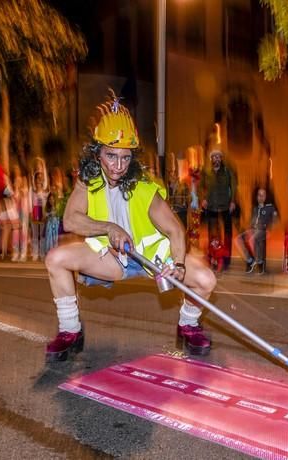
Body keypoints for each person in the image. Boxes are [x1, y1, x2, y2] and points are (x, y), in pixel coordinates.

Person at [44, 96, 216, 361]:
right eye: (111, 155)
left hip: (152, 258)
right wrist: (109, 227)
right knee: (56, 259)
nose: (118, 165)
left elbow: (176, 231)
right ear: (97, 151)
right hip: (113, 260)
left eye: (125, 158)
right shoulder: (88, 180)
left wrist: (179, 265)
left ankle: (188, 325)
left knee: (206, 280)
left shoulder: (143, 186)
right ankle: (70, 331)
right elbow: (71, 220)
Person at [200, 149, 237, 271]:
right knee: (212, 235)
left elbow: (234, 186)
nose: (216, 159)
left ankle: (226, 260)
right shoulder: (206, 172)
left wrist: (232, 201)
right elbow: (202, 187)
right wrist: (203, 199)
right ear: (211, 159)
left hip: (225, 207)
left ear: (221, 158)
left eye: (218, 157)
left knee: (227, 235)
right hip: (211, 208)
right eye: (214, 157)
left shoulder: (227, 171)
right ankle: (214, 258)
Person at [236, 187, 277, 274]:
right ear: (257, 196)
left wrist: (270, 229)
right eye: (259, 195)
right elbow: (252, 222)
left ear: (266, 196)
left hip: (263, 230)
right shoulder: (255, 208)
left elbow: (274, 220)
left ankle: (259, 262)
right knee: (238, 239)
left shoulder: (270, 208)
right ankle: (250, 260)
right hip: (253, 229)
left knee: (252, 240)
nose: (261, 197)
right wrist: (247, 229)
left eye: (263, 195)